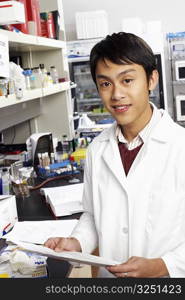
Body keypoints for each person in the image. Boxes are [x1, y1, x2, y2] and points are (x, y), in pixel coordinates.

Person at [45, 32, 185, 278]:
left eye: (127, 80)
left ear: (152, 79)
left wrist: (163, 265)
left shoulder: (179, 146)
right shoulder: (98, 149)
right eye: (106, 84)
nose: (116, 94)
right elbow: (92, 215)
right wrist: (77, 242)